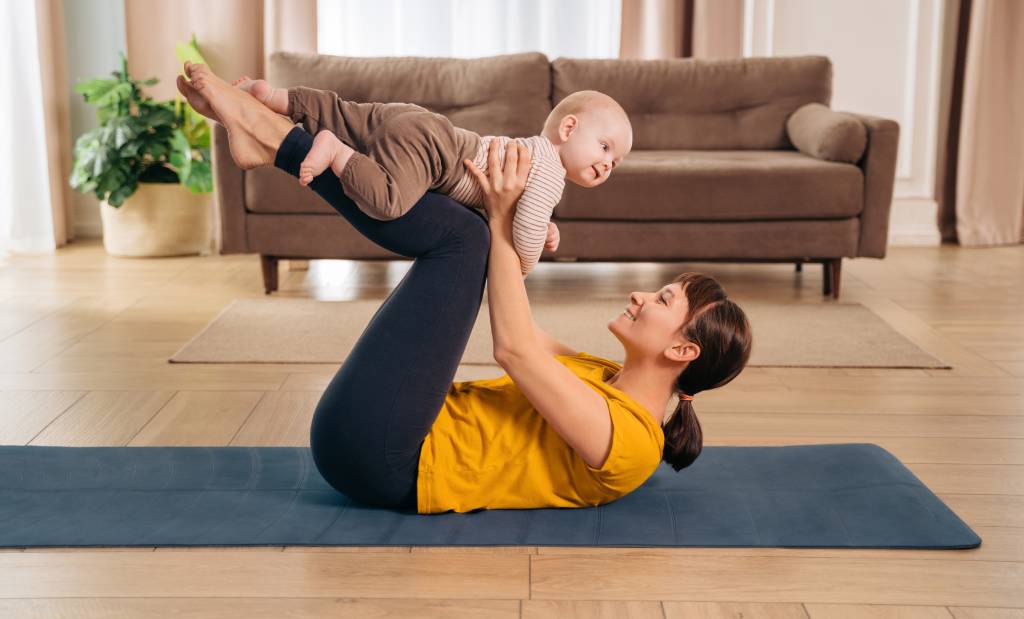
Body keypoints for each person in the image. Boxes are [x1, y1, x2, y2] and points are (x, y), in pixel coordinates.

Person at [176, 63, 753, 515]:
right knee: (465, 232)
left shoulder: (630, 444)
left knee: (470, 239)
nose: (640, 296)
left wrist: (505, 220)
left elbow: (514, 349)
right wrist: (504, 217)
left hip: (386, 459)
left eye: (662, 301)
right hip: (389, 428)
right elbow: (523, 328)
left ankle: (276, 134)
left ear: (683, 350)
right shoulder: (603, 375)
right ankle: (276, 135)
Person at [206, 68, 631, 276]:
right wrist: (537, 243)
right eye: (606, 147)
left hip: (421, 122)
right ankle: (335, 151)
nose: (608, 163)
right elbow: (521, 257)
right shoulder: (550, 175)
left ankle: (273, 97)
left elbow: (522, 213)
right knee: (388, 201)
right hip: (434, 153)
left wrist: (544, 227)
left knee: (345, 113)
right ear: (568, 128)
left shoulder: (532, 154)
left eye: (615, 162)